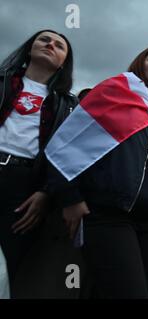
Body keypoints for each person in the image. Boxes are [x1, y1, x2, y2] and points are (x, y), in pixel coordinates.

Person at [46, 46, 148, 298]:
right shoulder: (113, 94)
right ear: (139, 64)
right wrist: (69, 197)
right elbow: (66, 144)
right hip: (112, 214)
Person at [0, 30, 77, 288]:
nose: (50, 45)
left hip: (24, 186)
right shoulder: (3, 81)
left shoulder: (67, 104)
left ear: (64, 61)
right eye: (44, 40)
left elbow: (67, 154)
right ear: (30, 47)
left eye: (59, 45)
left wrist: (46, 192)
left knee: (11, 266)